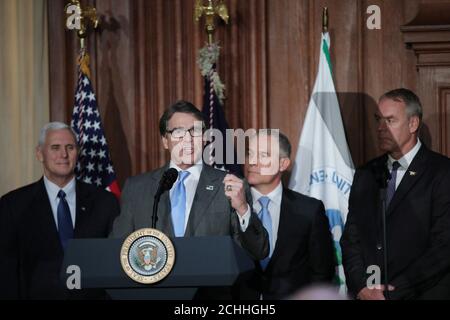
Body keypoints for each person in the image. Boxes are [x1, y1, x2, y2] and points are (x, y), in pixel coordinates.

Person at [111, 100, 268, 260]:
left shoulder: (229, 185)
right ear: (165, 140)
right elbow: (117, 251)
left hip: (211, 283)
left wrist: (242, 208)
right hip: (153, 283)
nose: (188, 139)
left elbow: (258, 251)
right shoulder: (136, 189)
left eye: (195, 131)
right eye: (178, 132)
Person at [341, 88, 450, 300]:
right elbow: (352, 239)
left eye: (390, 120)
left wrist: (395, 292)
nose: (380, 128)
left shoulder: (442, 172)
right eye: (378, 120)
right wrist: (362, 287)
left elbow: (444, 246)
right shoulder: (366, 173)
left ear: (413, 124)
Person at [0, 122, 120, 299]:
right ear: (39, 154)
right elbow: (6, 270)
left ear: (77, 152)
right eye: (55, 147)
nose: (63, 154)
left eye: (70, 147)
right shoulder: (13, 205)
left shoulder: (105, 202)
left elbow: (114, 262)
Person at [236, 130, 335, 300]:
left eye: (263, 155)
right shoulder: (231, 206)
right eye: (249, 154)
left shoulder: (309, 210)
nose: (252, 161)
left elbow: (322, 273)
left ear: (283, 164)